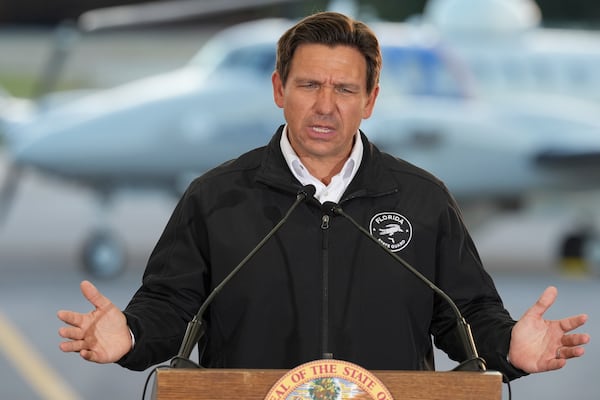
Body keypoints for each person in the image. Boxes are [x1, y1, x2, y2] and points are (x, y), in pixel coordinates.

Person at [58, 11, 589, 380]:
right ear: (278, 90)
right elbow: (170, 307)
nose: (326, 106)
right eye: (310, 85)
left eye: (345, 89)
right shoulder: (216, 198)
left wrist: (511, 349)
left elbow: (467, 313)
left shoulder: (423, 200)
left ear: (371, 100)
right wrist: (128, 336)